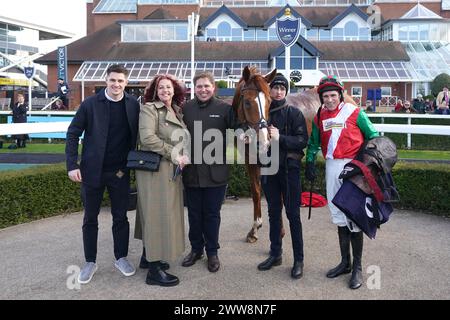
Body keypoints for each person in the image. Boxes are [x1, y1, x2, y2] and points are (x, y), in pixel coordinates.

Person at [65, 64, 140, 284]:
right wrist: (72, 164)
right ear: (106, 81)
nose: (116, 84)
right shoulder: (90, 104)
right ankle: (90, 262)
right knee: (90, 218)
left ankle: (121, 258)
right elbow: (72, 134)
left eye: (120, 81)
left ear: (126, 83)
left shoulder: (133, 105)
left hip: (119, 172)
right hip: (91, 172)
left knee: (120, 217)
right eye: (112, 80)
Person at [305, 75, 379, 290]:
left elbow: (373, 136)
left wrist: (365, 163)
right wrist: (310, 161)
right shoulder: (320, 116)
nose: (329, 100)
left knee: (354, 217)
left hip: (353, 169)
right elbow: (313, 143)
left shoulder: (355, 112)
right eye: (325, 96)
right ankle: (345, 262)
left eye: (332, 95)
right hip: (331, 167)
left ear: (340, 95)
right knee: (338, 217)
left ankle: (357, 267)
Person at [134, 74, 189, 287]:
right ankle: (154, 271)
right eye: (161, 87)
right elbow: (147, 138)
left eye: (168, 87)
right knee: (156, 214)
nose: (165, 90)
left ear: (174, 90)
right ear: (155, 91)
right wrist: (174, 154)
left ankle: (147, 258)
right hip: (155, 170)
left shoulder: (176, 110)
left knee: (157, 213)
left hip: (168, 169)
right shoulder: (149, 109)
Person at [181, 72, 235, 273]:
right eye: (199, 86)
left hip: (216, 173)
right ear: (194, 88)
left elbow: (239, 128)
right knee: (194, 215)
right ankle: (196, 250)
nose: (203, 89)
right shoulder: (185, 108)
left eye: (206, 86)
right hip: (191, 173)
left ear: (214, 88)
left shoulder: (225, 109)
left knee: (212, 215)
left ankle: (212, 252)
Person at [257, 73, 308, 279]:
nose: (278, 91)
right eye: (275, 88)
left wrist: (281, 137)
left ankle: (298, 260)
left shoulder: (294, 113)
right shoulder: (265, 114)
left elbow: (302, 140)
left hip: (289, 172)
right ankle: (275, 253)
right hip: (269, 171)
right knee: (273, 213)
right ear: (270, 90)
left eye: (282, 88)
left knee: (293, 216)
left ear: (286, 91)